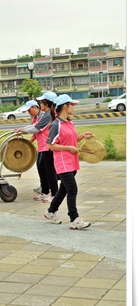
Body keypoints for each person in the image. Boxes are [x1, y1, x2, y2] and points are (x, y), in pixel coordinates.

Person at [45, 94, 92, 230]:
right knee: (72, 189)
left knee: (64, 189)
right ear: (65, 106)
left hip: (72, 161)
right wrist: (68, 148)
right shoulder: (56, 125)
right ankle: (74, 218)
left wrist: (82, 136)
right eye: (71, 105)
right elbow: (50, 145)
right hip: (63, 162)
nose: (73, 107)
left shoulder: (69, 122)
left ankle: (51, 211)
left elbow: (71, 141)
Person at [14, 96, 58, 203]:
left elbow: (36, 128)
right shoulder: (42, 116)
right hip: (42, 147)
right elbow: (34, 126)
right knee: (42, 169)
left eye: (41, 103)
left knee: (49, 171)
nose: (40, 105)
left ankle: (54, 194)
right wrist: (23, 131)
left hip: (48, 146)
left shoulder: (47, 115)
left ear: (46, 104)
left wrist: (22, 130)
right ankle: (45, 192)